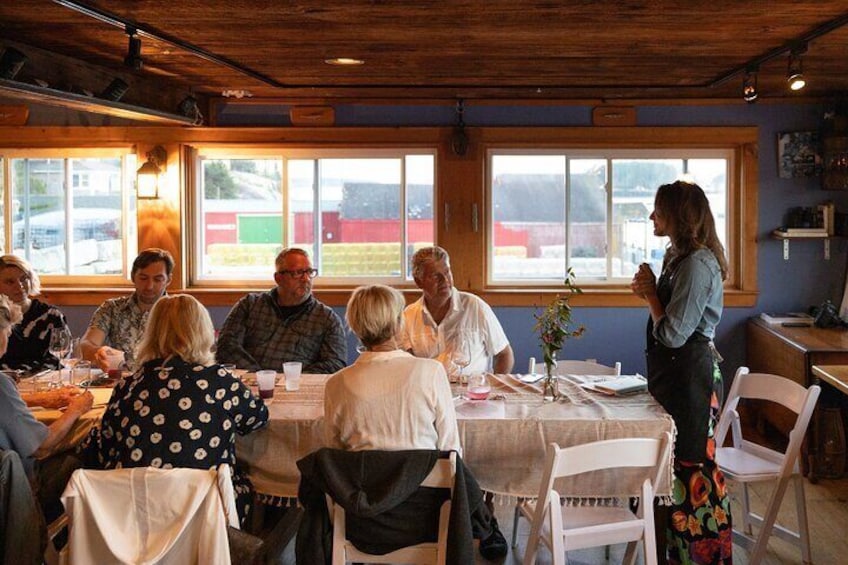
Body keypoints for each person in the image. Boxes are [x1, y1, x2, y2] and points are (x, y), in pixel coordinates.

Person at [321, 284, 507, 561]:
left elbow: (334, 456)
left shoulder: (336, 384)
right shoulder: (430, 372)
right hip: (427, 519)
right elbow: (451, 450)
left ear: (354, 326)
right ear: (398, 323)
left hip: (363, 521)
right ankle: (485, 526)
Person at [78, 294, 269, 525]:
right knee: (250, 485)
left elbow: (102, 451)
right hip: (204, 513)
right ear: (203, 331)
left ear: (152, 333)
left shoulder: (129, 385)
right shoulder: (219, 381)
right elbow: (257, 418)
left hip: (133, 515)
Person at [630, 180, 732, 564]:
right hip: (676, 374)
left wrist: (650, 295)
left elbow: (672, 334)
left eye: (658, 209)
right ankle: (669, 552)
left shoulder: (695, 265)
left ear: (678, 216)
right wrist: (652, 289)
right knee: (670, 463)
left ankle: (699, 556)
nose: (652, 216)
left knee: (691, 466)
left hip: (691, 376)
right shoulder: (677, 256)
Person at [0, 294, 93, 512]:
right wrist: (75, 409)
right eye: (7, 331)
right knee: (82, 456)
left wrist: (40, 399)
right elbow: (42, 447)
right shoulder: (2, 384)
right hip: (14, 490)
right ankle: (54, 538)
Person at [216, 247, 346, 373]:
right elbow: (227, 345)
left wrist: (294, 378)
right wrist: (260, 377)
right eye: (298, 273)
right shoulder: (250, 305)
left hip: (296, 388)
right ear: (278, 278)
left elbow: (335, 363)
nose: (306, 279)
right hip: (247, 385)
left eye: (309, 272)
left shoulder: (326, 318)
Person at [402, 246, 514, 377]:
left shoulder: (475, 306)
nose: (445, 280)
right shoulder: (409, 315)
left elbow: (505, 354)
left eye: (447, 272)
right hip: (430, 393)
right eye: (435, 276)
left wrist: (493, 388)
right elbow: (407, 364)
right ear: (418, 282)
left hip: (473, 393)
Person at [80, 248, 174, 372]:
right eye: (143, 278)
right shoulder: (111, 308)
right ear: (132, 277)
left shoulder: (178, 312)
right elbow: (86, 344)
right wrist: (97, 352)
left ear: (168, 280)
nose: (149, 286)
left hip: (164, 385)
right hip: (121, 383)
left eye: (158, 279)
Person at [0, 255, 70, 372]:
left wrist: (25, 375)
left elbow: (60, 359)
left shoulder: (51, 315)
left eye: (24, 278)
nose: (20, 286)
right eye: (10, 282)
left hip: (43, 384)